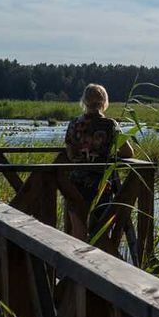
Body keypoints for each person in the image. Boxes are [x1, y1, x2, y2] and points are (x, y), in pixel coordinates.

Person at [64, 84, 134, 239]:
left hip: (75, 182)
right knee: (99, 232)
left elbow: (70, 153)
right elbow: (129, 152)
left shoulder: (74, 123)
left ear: (84, 101)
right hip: (100, 184)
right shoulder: (110, 125)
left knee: (76, 230)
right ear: (104, 102)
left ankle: (74, 260)